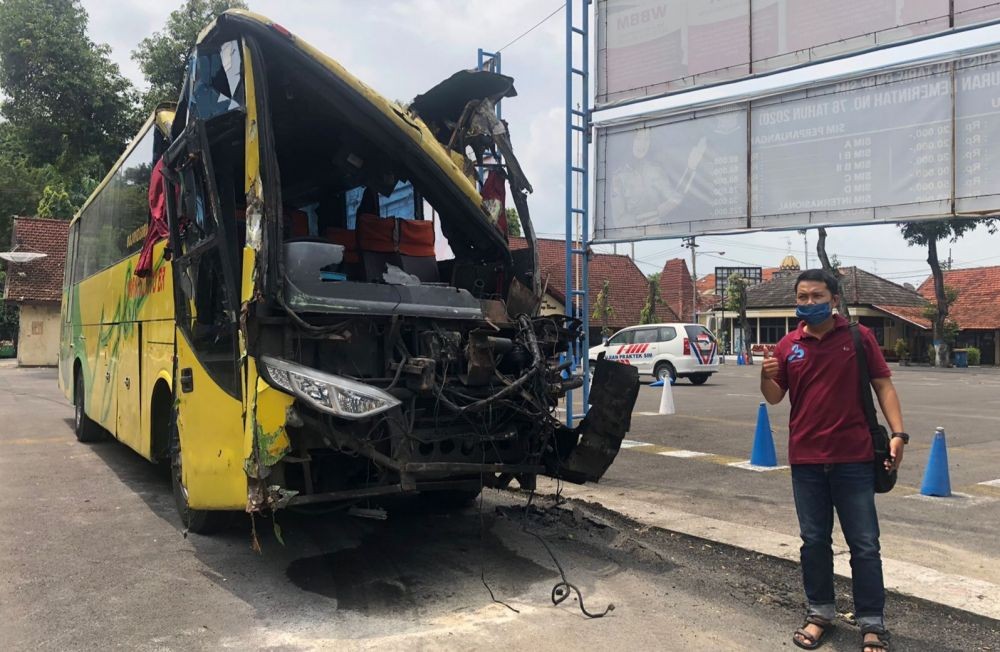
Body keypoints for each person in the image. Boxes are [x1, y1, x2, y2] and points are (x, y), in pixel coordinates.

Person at [760, 269, 907, 652]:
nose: (809, 303)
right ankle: (819, 612)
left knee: (864, 544)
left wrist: (898, 433)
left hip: (854, 458)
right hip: (806, 460)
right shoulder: (788, 344)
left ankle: (872, 622)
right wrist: (765, 376)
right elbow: (775, 397)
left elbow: (883, 385)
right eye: (803, 297)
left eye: (817, 295)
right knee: (813, 541)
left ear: (835, 299)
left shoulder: (860, 338)